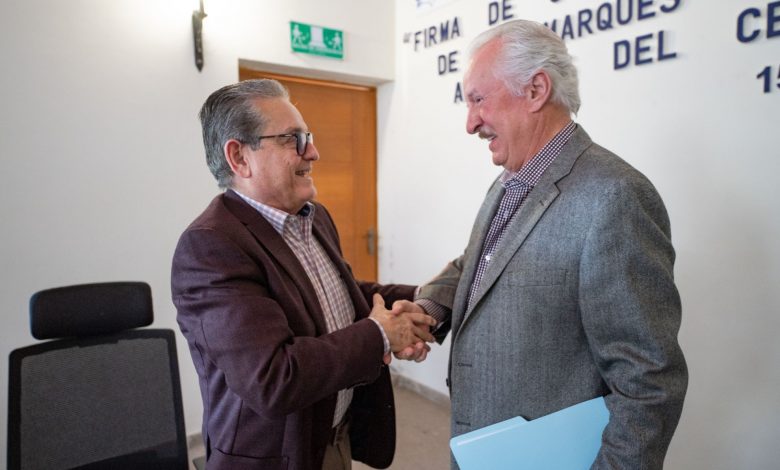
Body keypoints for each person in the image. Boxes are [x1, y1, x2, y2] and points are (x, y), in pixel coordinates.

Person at [394, 19, 688, 469]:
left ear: (535, 90)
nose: (470, 123)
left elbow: (648, 381)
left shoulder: (616, 196)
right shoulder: (509, 180)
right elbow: (479, 262)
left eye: (477, 99)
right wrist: (429, 310)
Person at [171, 79, 436, 470]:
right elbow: (273, 378)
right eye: (291, 139)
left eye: (307, 137)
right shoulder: (211, 246)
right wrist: (381, 334)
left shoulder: (314, 217)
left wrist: (428, 297)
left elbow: (342, 296)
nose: (312, 151)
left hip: (333, 438)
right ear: (239, 157)